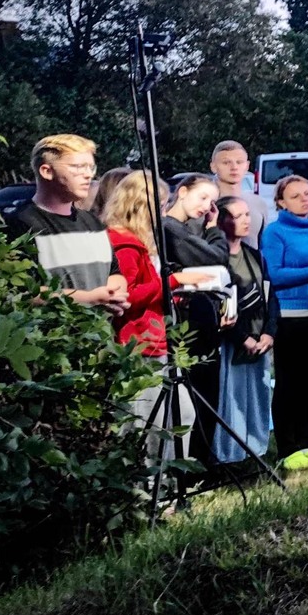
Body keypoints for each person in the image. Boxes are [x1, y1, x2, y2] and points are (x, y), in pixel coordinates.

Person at [91, 168, 190, 452]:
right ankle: (152, 476)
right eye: (162, 205)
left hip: (151, 338)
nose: (164, 212)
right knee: (149, 423)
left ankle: (166, 473)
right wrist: (172, 282)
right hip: (139, 344)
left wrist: (172, 295)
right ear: (142, 206)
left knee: (179, 413)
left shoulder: (133, 241)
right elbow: (127, 296)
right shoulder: (125, 244)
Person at [3, 134, 128, 314]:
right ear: (47, 171)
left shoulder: (92, 222)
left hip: (98, 330)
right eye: (78, 167)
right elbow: (18, 292)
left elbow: (114, 273)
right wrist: (89, 299)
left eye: (91, 167)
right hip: (50, 331)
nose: (88, 175)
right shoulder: (20, 223)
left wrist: (113, 294)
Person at [162, 172, 234, 462]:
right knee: (198, 388)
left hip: (200, 315)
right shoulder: (171, 228)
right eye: (202, 198)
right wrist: (215, 229)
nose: (206, 207)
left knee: (206, 388)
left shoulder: (187, 229)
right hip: (187, 320)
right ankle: (194, 460)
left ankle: (202, 457)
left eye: (212, 202)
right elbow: (216, 258)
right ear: (182, 192)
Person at [261, 174, 308, 465]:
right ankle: (286, 449)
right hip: (290, 317)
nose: (304, 199)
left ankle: (305, 443)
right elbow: (274, 274)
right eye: (295, 196)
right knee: (289, 383)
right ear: (281, 202)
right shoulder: (275, 232)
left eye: (307, 193)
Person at [215, 196, 277, 464]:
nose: (245, 221)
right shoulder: (216, 258)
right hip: (233, 340)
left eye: (247, 215)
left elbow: (270, 295)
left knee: (257, 395)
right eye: (237, 216)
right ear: (221, 221)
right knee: (231, 397)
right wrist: (242, 338)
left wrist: (269, 332)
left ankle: (256, 450)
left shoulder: (254, 255)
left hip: (259, 337)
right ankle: (229, 454)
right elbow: (220, 303)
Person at [210, 140, 269, 232]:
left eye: (239, 162)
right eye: (226, 162)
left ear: (247, 166)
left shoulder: (258, 203)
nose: (234, 167)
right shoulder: (203, 205)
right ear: (213, 167)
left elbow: (263, 239)